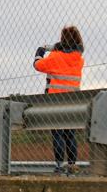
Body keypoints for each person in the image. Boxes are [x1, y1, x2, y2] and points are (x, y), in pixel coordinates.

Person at [33, 25, 84, 176]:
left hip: (55, 100)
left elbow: (37, 65)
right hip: (74, 100)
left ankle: (59, 166)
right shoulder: (79, 59)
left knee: (58, 134)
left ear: (62, 39)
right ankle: (72, 165)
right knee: (71, 134)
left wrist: (40, 51)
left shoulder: (55, 57)